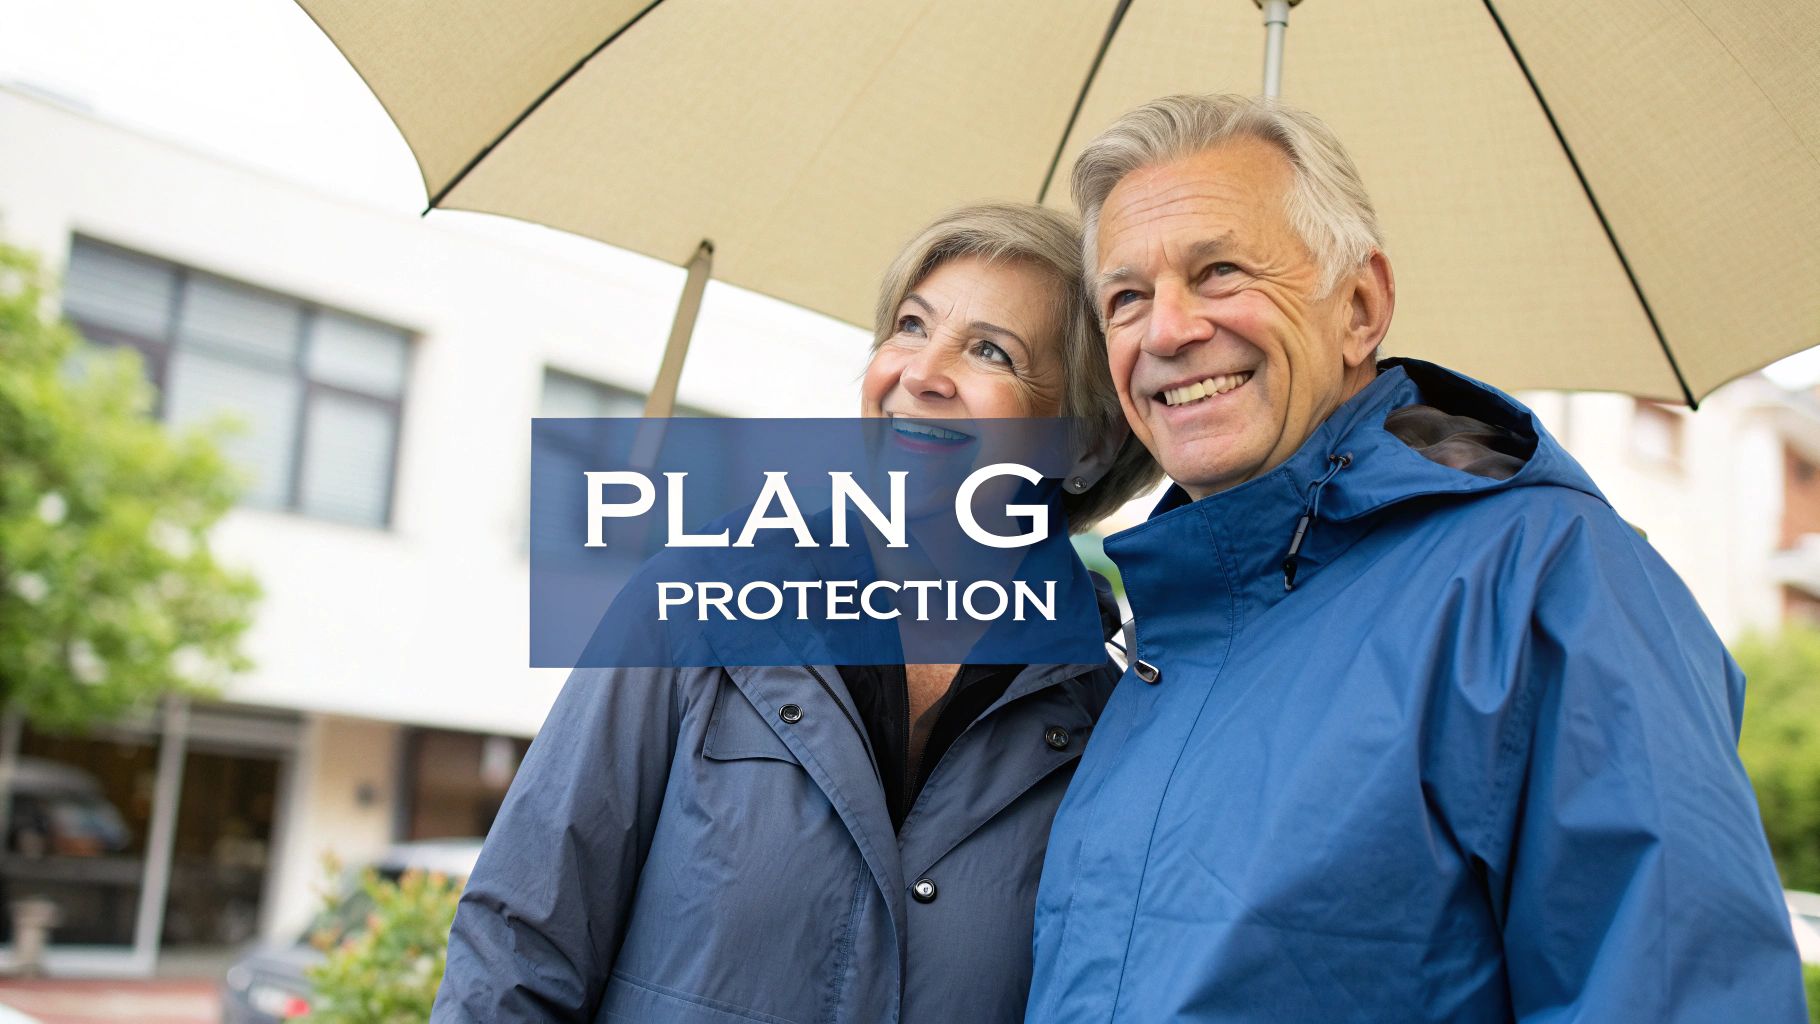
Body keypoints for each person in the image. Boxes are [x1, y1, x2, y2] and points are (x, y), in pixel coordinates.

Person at [1025, 94, 1806, 1023]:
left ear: (1359, 307)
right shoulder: (1155, 643)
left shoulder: (1544, 579)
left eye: (1221, 270)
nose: (1166, 331)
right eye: (1126, 298)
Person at [431, 202, 1160, 1023]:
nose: (921, 373)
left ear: (1089, 444)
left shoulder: (1119, 709)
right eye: (911, 327)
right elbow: (519, 944)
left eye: (992, 350)